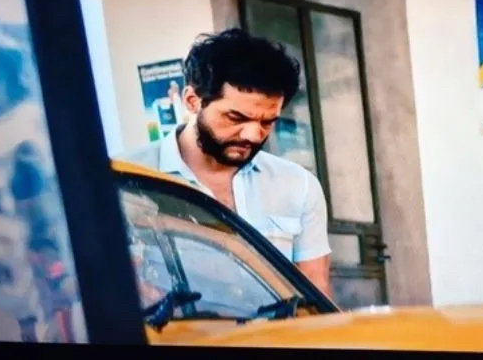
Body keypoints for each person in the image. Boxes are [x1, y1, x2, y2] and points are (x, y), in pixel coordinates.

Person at [118, 28, 332, 296]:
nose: (253, 135)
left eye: (267, 122)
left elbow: (315, 290)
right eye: (235, 118)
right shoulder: (124, 180)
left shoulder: (298, 185)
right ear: (192, 101)